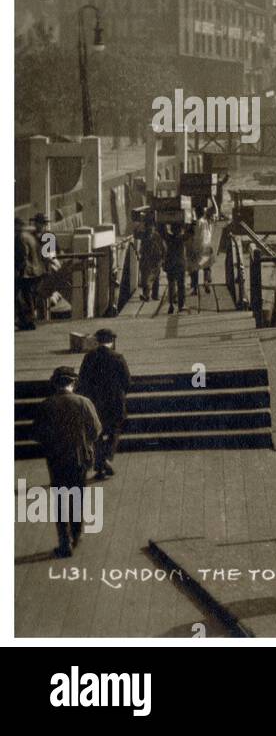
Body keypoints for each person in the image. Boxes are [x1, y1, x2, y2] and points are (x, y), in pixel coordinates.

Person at [31, 366, 101, 558]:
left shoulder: (46, 405)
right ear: (74, 383)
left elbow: (37, 434)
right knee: (77, 494)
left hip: (56, 458)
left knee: (60, 498)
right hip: (79, 458)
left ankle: (65, 540)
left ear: (55, 383)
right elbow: (95, 431)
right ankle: (77, 534)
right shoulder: (84, 402)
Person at [77, 328, 131, 481]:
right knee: (115, 430)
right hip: (115, 403)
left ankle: (100, 465)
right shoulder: (118, 357)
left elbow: (82, 381)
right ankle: (106, 458)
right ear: (112, 341)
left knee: (97, 434)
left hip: (95, 403)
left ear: (98, 341)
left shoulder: (89, 357)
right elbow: (127, 382)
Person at [16, 216, 43, 330]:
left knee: (20, 296)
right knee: (29, 297)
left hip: (26, 272)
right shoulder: (31, 237)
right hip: (36, 271)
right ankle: (29, 320)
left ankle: (26, 320)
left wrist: (18, 270)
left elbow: (23, 255)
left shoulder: (20, 237)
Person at [161, 223, 188, 314]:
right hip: (180, 264)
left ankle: (171, 305)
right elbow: (191, 233)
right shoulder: (182, 238)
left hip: (170, 263)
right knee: (181, 285)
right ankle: (181, 305)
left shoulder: (169, 238)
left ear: (171, 230)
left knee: (171, 285)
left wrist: (162, 223)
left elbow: (162, 232)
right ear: (180, 230)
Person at [137, 218, 164, 302]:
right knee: (147, 278)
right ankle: (148, 295)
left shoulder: (154, 235)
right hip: (148, 259)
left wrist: (162, 257)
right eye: (149, 227)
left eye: (151, 227)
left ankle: (152, 295)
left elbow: (162, 247)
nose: (150, 228)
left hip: (154, 259)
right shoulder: (147, 235)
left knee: (152, 277)